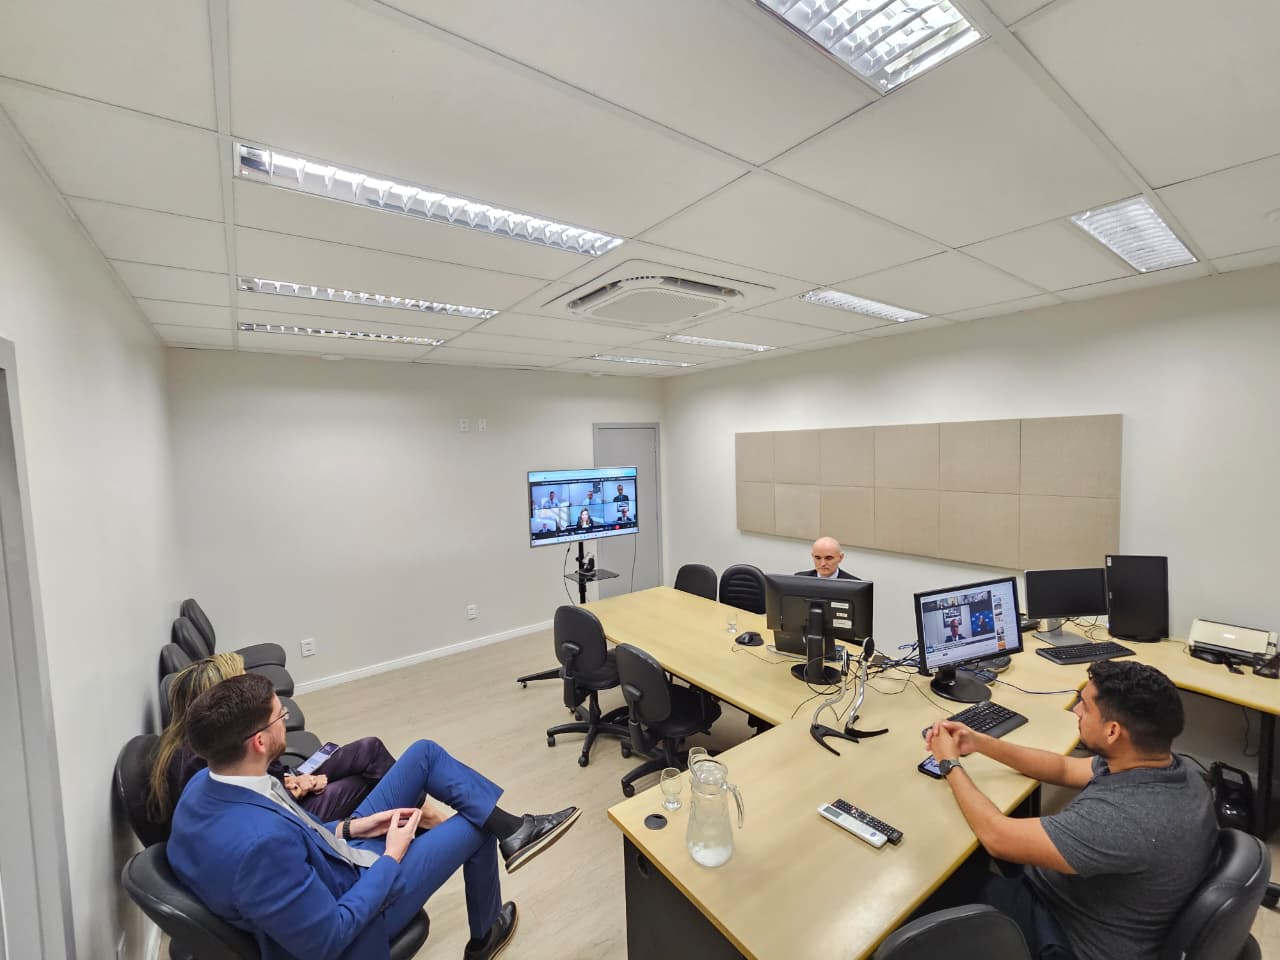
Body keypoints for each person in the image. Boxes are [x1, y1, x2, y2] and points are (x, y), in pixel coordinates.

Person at [167, 673, 580, 960]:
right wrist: (392, 857)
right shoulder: (260, 848)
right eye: (281, 717)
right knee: (474, 825)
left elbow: (296, 835)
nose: (286, 721)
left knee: (424, 754)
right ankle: (485, 936)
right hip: (359, 904)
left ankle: (515, 830)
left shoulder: (205, 786)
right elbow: (329, 938)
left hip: (334, 853)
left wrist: (353, 826)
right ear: (259, 742)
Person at [924, 659, 1217, 960]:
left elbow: (996, 837)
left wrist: (949, 764)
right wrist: (980, 742)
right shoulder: (1166, 767)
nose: (1075, 709)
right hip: (1085, 898)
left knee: (941, 882)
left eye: (1085, 706)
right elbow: (1063, 769)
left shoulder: (1124, 819)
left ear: (1113, 731)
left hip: (1068, 936)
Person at [148, 653, 398, 824]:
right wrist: (300, 788)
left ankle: (423, 816)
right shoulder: (203, 758)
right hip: (289, 815)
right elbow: (258, 809)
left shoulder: (190, 741)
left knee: (370, 749)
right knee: (371, 784)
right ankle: (420, 822)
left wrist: (293, 780)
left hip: (283, 784)